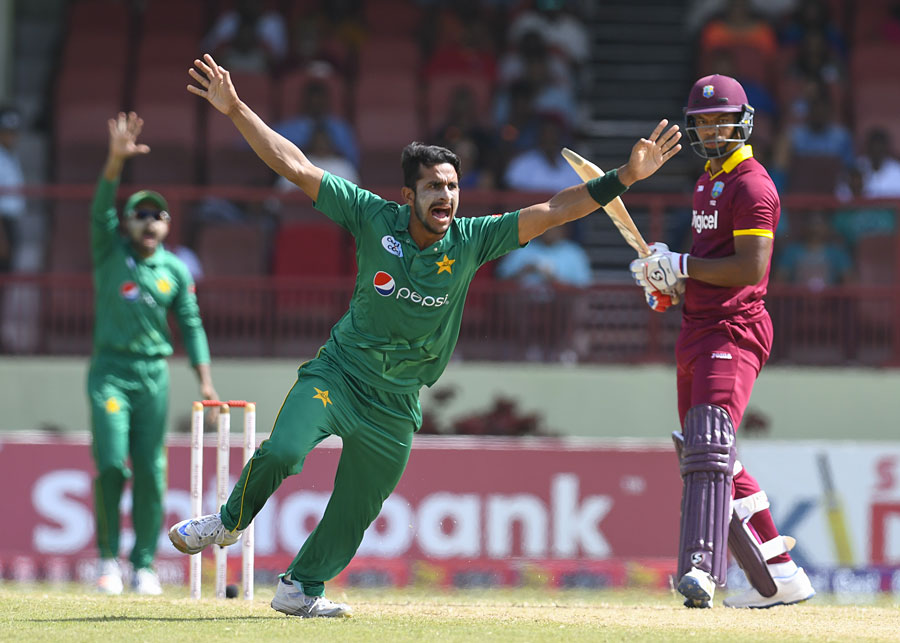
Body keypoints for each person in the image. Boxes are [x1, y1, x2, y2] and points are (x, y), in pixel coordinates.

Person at [169, 53, 681, 618]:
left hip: (396, 401)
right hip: (339, 374)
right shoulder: (372, 217)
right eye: (434, 187)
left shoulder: (472, 239)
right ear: (408, 193)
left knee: (356, 508)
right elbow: (294, 165)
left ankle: (300, 588)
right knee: (285, 451)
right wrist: (237, 108)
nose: (446, 197)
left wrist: (626, 178)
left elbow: (555, 209)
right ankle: (229, 521)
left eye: (453, 187)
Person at [629, 74, 816, 608]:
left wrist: (682, 264)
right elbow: (711, 264)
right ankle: (780, 571)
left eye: (721, 119)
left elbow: (750, 267)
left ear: (743, 121)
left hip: (733, 330)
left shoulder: (753, 185)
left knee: (710, 445)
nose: (712, 129)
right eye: (704, 121)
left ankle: (703, 572)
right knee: (706, 452)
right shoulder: (707, 180)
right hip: (698, 326)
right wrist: (671, 283)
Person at [91, 112, 219, 595]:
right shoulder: (109, 252)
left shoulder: (175, 270)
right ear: (128, 223)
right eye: (140, 214)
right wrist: (115, 162)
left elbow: (192, 325)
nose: (149, 221)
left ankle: (143, 564)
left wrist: (205, 381)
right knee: (111, 463)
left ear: (167, 226)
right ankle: (107, 560)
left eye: (157, 215)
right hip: (110, 370)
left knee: (149, 468)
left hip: (153, 376)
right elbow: (100, 208)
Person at [0, 105, 25, 272]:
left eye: (13, 132)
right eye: (6, 132)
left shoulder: (11, 155)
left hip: (11, 220)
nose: (11, 136)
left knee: (9, 272)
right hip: (2, 223)